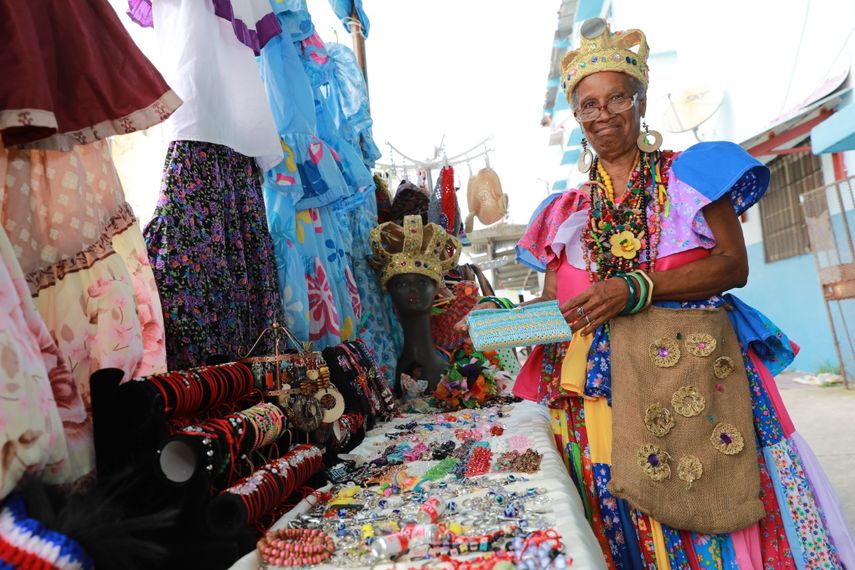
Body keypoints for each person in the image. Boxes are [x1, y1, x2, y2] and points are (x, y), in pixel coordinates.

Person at [458, 18, 854, 569]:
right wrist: (493, 327)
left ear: (640, 101)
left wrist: (635, 287)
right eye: (588, 105)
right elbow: (561, 313)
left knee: (713, 509)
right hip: (596, 399)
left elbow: (732, 266)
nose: (603, 115)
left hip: (693, 383)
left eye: (616, 97)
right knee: (618, 525)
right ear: (577, 117)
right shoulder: (564, 212)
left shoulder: (692, 175)